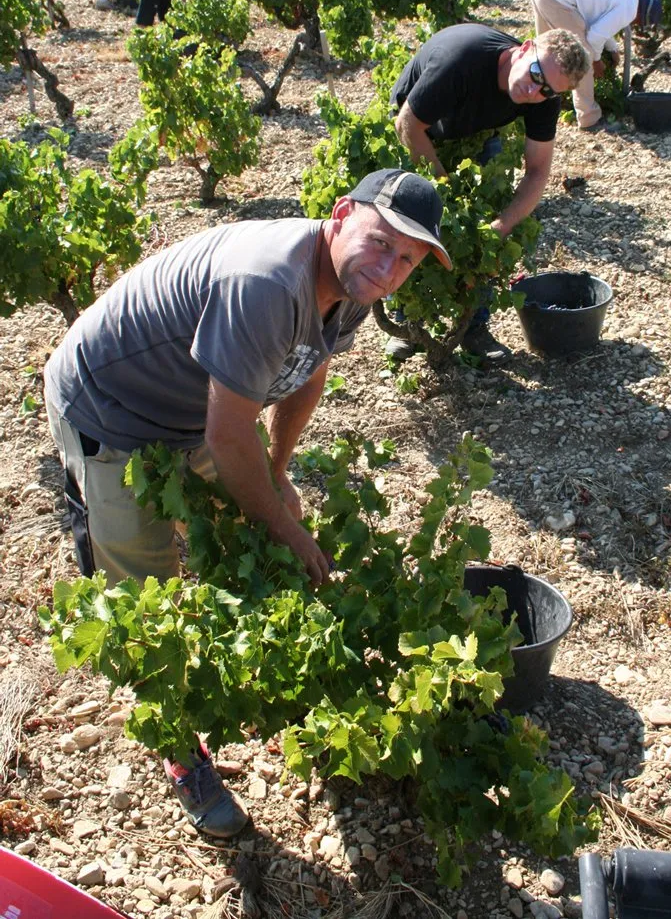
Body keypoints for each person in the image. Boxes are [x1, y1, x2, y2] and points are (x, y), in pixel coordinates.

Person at [44, 168, 450, 839]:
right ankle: (179, 754)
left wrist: (281, 473)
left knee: (245, 529)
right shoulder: (266, 282)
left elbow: (306, 376)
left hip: (191, 409)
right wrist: (283, 522)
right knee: (148, 598)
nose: (390, 267)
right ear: (342, 213)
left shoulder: (349, 287)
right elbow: (228, 433)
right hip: (111, 408)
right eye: (382, 242)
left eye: (407, 259)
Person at [389, 22, 589, 363]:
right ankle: (409, 322)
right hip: (419, 127)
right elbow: (407, 124)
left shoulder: (543, 95)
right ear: (525, 49)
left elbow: (539, 171)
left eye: (548, 91)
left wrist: (504, 224)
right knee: (412, 220)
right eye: (536, 74)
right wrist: (443, 191)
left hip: (476, 132)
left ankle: (474, 327)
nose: (534, 90)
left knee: (485, 226)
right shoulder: (461, 60)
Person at [529, 0, 663, 130]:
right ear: (642, 17)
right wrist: (596, 61)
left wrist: (612, 48)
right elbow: (593, 37)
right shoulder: (629, 9)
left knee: (543, 53)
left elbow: (596, 16)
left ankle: (534, 102)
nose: (636, 25)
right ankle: (589, 118)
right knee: (580, 56)